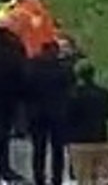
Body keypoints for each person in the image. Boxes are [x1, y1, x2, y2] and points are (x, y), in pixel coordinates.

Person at [24, 42, 74, 185]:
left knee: (38, 148)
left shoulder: (32, 66)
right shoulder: (63, 68)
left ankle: (39, 177)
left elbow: (26, 89)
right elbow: (70, 90)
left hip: (36, 113)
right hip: (57, 113)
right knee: (57, 149)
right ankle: (56, 178)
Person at [65, 62, 108, 185]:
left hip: (79, 142)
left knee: (84, 179)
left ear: (78, 75)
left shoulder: (73, 94)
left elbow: (68, 117)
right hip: (101, 139)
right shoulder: (104, 93)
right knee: (104, 179)